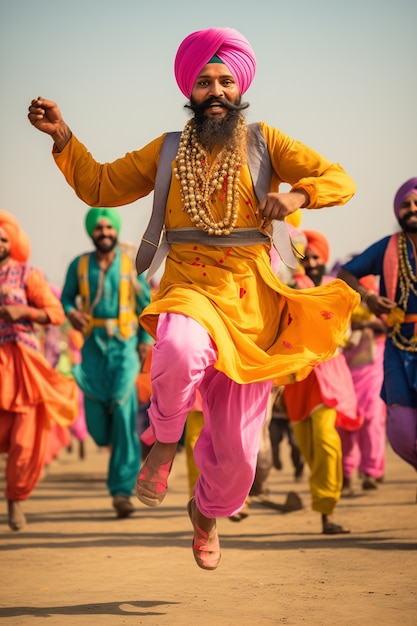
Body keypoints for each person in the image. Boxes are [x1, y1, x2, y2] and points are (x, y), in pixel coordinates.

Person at [28, 27, 359, 569]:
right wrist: (63, 135)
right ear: (190, 90)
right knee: (178, 347)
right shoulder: (166, 151)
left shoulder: (267, 142)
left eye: (226, 80)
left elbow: (339, 178)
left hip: (252, 304)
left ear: (240, 86)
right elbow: (102, 186)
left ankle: (206, 514)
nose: (216, 90)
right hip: (187, 285)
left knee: (237, 464)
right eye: (204, 81)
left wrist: (296, 194)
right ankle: (164, 440)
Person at [60, 207, 153, 518]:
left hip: (125, 348)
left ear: (115, 230)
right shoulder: (79, 266)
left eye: (108, 228)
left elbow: (146, 306)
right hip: (92, 348)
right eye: (99, 228)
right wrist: (71, 311)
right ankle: (113, 446)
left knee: (125, 417)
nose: (104, 233)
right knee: (100, 427)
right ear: (92, 232)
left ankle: (121, 491)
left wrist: (143, 342)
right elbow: (66, 298)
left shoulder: (129, 267)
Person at [0, 211, 78, 531]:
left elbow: (56, 313)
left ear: (13, 242)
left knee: (24, 441)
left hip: (24, 368)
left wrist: (23, 311)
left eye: (3, 238)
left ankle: (16, 500)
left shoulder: (27, 274)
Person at [284, 229, 362, 534]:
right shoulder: (291, 286)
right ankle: (323, 502)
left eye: (317, 257)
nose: (313, 262)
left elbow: (346, 325)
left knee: (326, 439)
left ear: (324, 259)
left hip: (329, 374)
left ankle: (327, 510)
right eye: (307, 257)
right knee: (308, 447)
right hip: (297, 376)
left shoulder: (335, 288)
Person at [337, 177, 417, 476]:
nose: (412, 209)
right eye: (406, 204)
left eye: (416, 204)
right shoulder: (388, 247)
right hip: (398, 348)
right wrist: (369, 298)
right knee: (402, 434)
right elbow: (346, 273)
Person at [341, 274, 387, 493]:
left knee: (372, 420)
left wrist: (369, 323)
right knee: (345, 423)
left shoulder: (380, 302)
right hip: (344, 372)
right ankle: (346, 473)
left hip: (373, 371)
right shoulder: (342, 300)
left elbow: (393, 324)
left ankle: (371, 471)